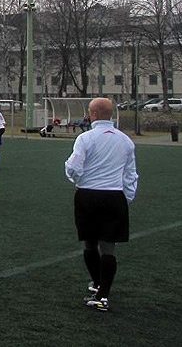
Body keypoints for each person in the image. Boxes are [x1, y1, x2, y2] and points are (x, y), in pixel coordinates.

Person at [64, 97, 138, 312]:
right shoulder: (125, 140)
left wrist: (77, 179)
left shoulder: (85, 138)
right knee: (108, 246)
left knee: (89, 243)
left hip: (87, 195)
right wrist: (126, 197)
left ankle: (100, 289)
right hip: (114, 197)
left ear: (94, 114)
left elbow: (74, 167)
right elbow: (130, 174)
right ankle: (101, 291)